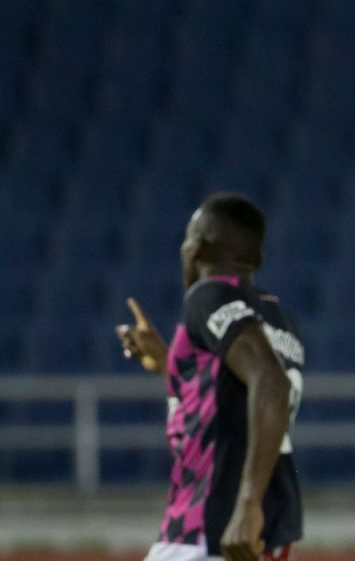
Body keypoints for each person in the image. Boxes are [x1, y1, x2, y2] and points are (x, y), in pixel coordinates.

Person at [116, 192, 304, 561]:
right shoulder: (280, 317)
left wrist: (247, 504)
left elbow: (270, 383)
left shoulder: (208, 294)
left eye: (187, 238)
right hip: (271, 528)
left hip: (210, 524)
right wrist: (169, 362)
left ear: (197, 248)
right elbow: (231, 405)